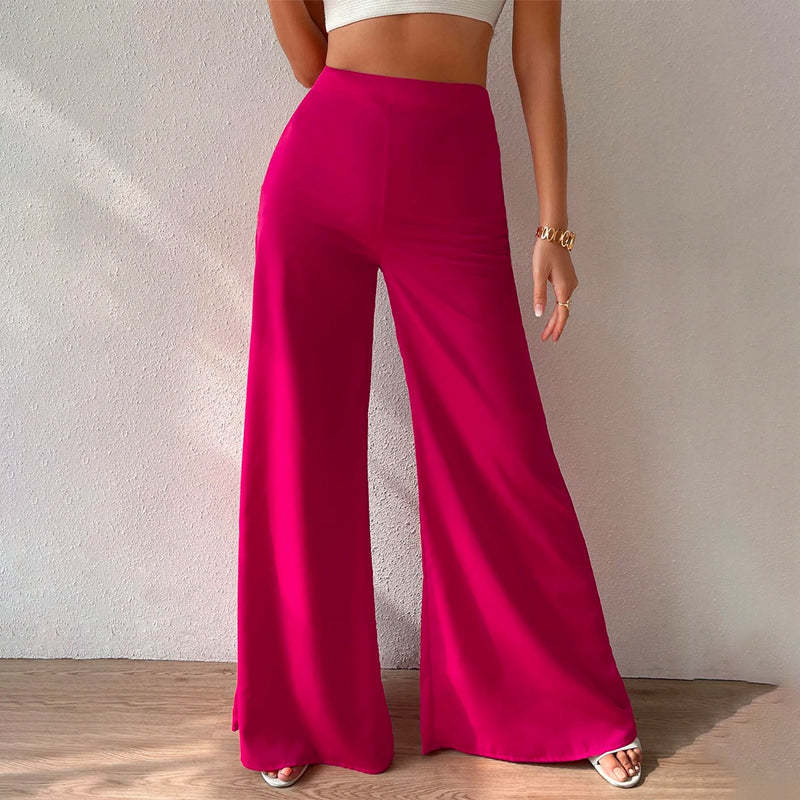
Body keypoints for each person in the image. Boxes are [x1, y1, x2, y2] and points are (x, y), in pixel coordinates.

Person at [232, 0, 643, 790]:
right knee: (296, 440)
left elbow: (538, 63)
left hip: (453, 175)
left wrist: (553, 229)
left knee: (500, 445)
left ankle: (565, 704)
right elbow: (309, 64)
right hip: (321, 168)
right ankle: (298, 710)